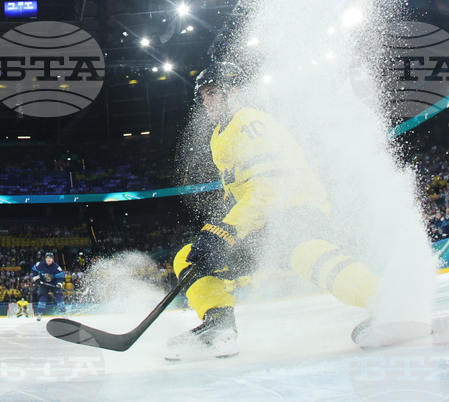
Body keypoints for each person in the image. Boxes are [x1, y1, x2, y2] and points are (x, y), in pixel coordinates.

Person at [167, 62, 423, 360]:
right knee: (191, 257)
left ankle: (392, 307)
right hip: (260, 223)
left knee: (303, 251)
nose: (206, 102)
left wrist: (226, 231)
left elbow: (268, 187)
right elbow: (239, 194)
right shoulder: (218, 138)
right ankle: (219, 328)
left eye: (213, 93)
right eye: (204, 96)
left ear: (233, 92)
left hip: (295, 209)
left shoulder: (248, 121)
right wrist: (219, 236)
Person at [31, 252, 66, 321]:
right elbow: (34, 270)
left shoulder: (56, 267)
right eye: (47, 258)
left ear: (53, 259)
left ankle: (63, 313)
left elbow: (61, 276)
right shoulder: (40, 265)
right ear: (45, 259)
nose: (48, 260)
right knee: (42, 297)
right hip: (43, 283)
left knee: (59, 297)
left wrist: (59, 283)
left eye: (50, 258)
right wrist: (36, 278)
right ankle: (39, 314)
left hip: (54, 284)